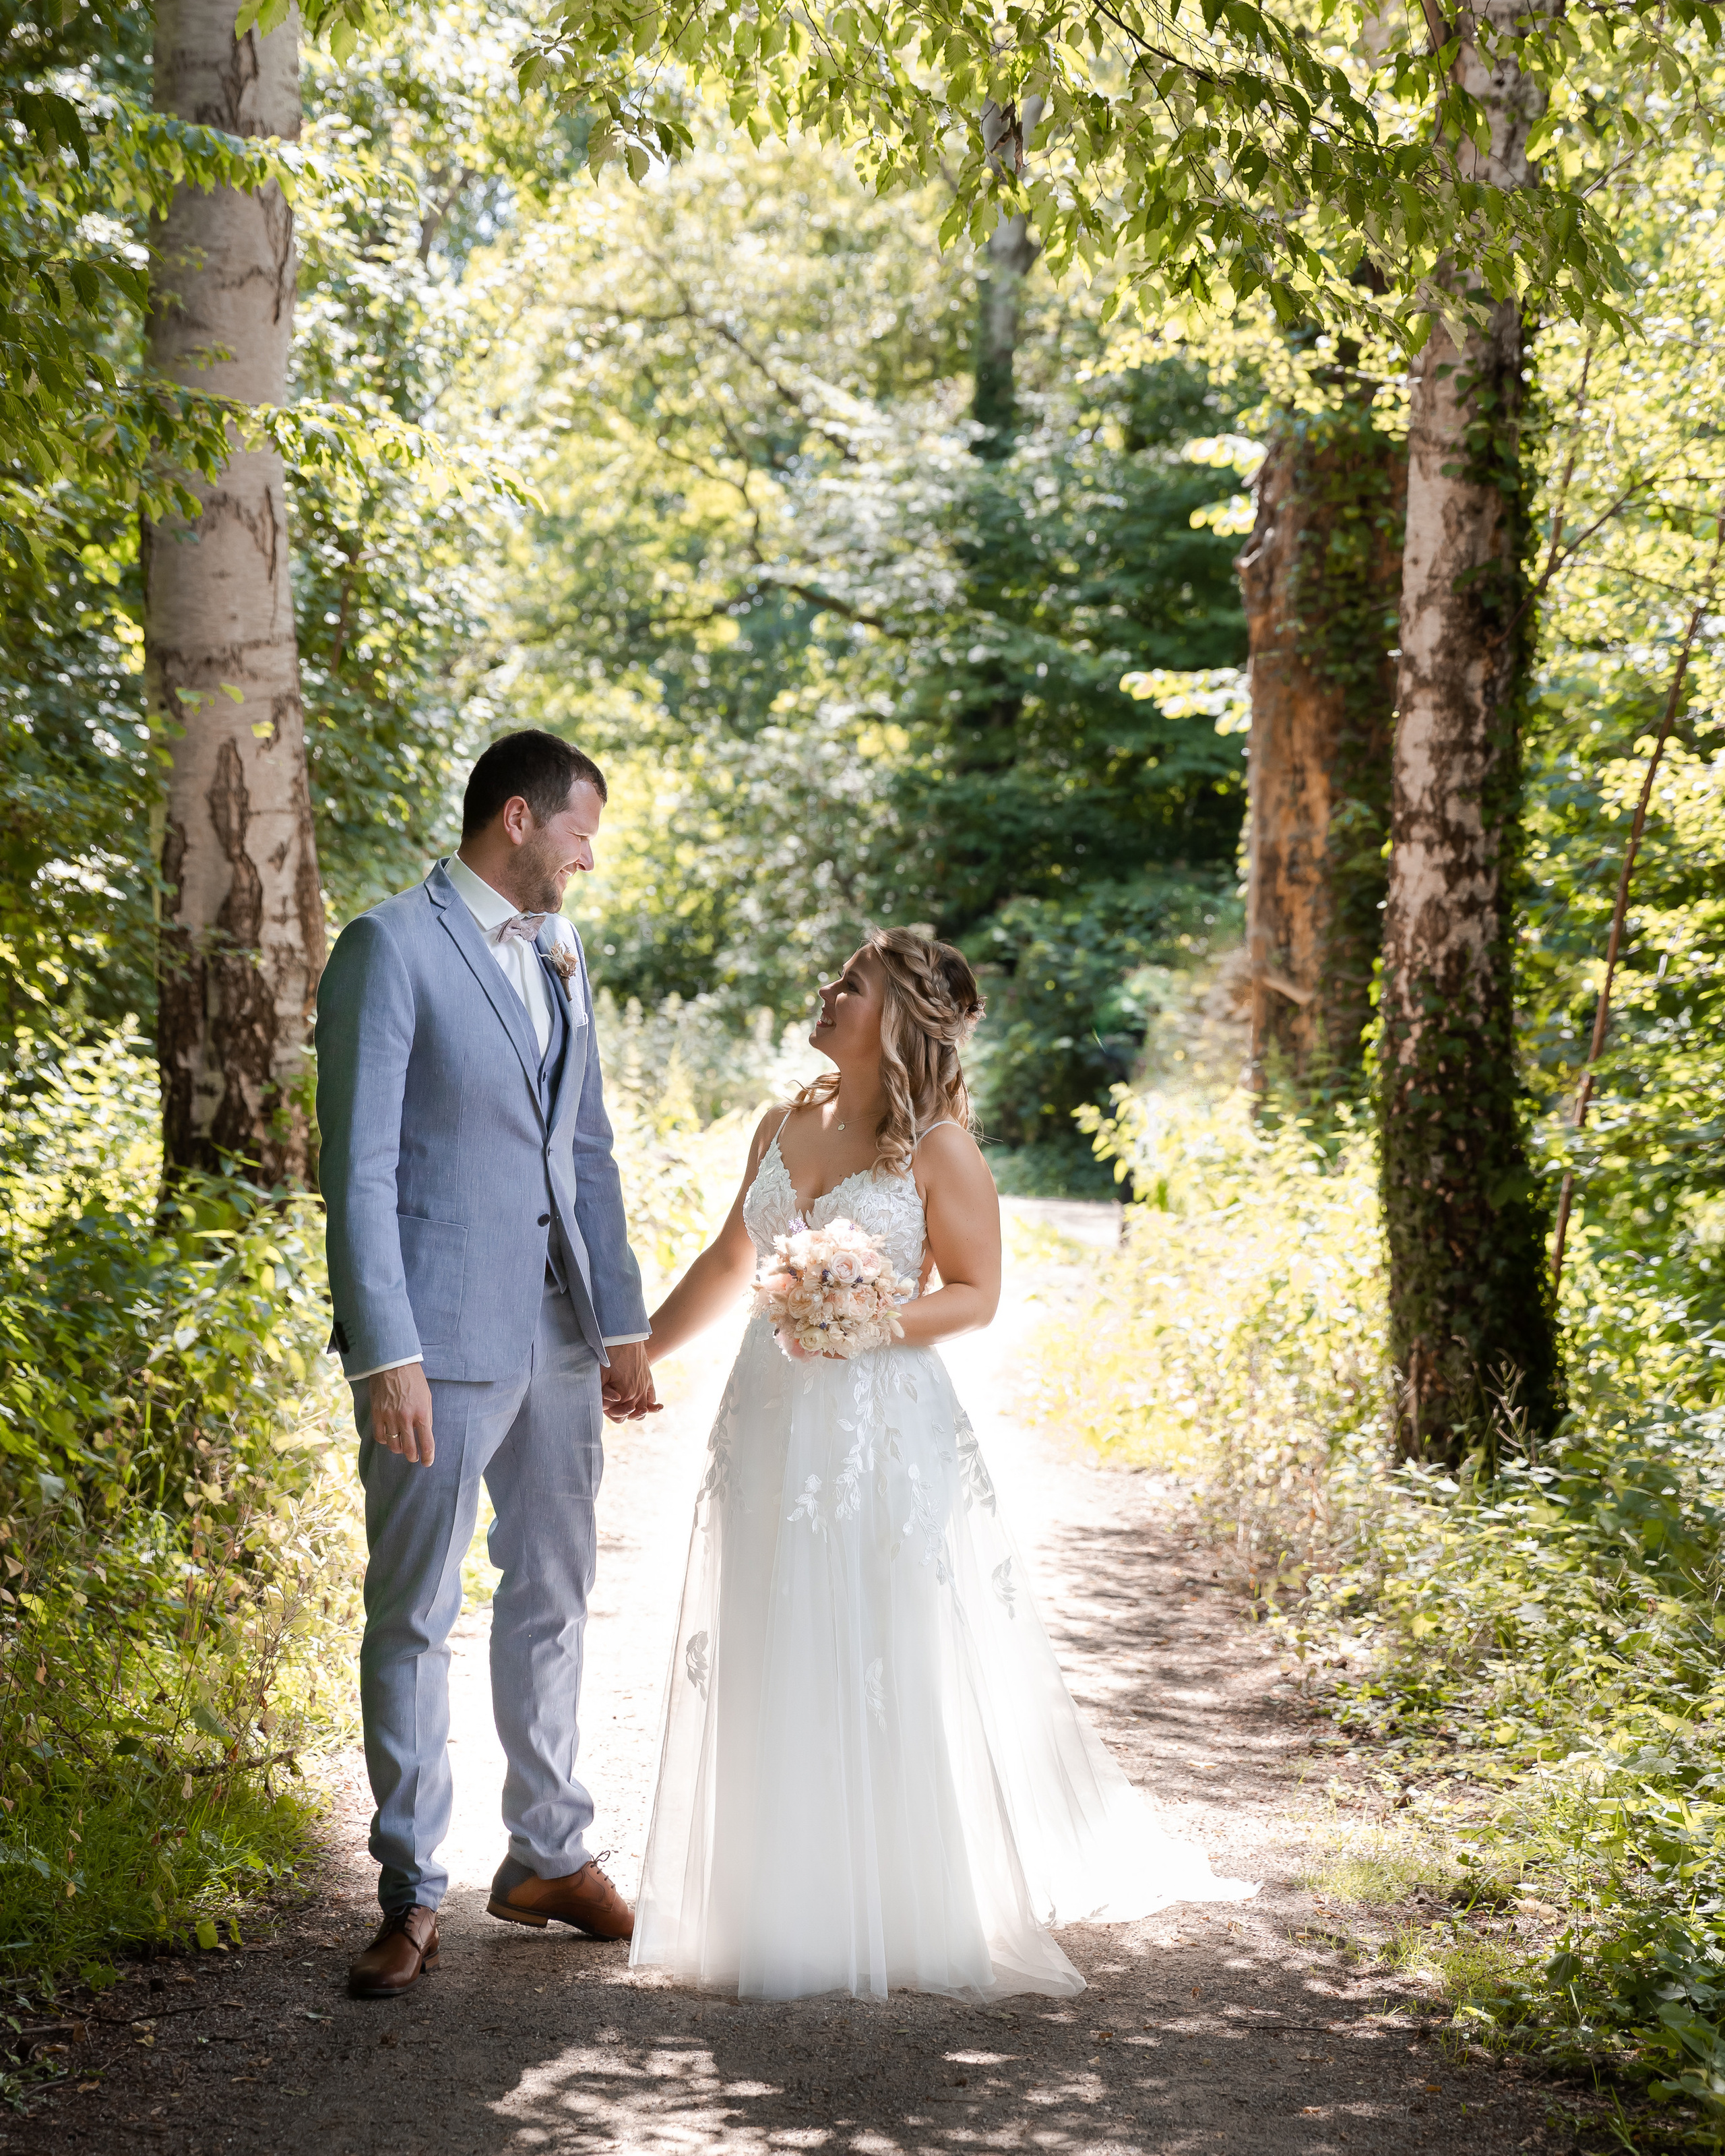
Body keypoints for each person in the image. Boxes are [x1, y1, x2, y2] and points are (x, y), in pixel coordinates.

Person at [630, 927, 1253, 2001]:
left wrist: (867, 1322)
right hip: (770, 1413)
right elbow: (733, 1259)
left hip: (876, 1420)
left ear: (902, 1019)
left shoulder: (939, 1149)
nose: (827, 995)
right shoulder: (783, 1124)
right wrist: (640, 1351)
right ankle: (774, 1899)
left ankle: (895, 1899)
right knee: (767, 1627)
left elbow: (974, 1292)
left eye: (853, 986)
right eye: (833, 980)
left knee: (875, 1642)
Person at [315, 729, 660, 2002]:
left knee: (554, 1593)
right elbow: (354, 1170)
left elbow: (589, 1153)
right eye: (581, 830)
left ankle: (548, 1855)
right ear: (517, 817)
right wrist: (384, 1349)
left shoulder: (564, 954)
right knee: (413, 1609)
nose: (587, 855)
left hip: (560, 1338)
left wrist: (618, 1326)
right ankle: (411, 1890)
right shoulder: (389, 948)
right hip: (439, 1342)